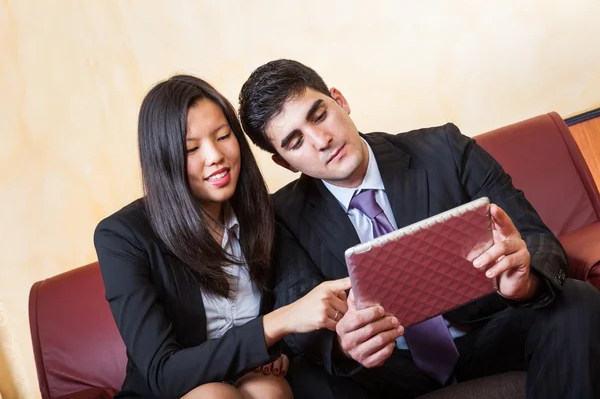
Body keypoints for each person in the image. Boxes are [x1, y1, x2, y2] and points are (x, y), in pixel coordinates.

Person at [237, 59, 600, 399]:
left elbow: (535, 237)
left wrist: (525, 280)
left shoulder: (445, 148)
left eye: (319, 115)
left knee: (574, 299)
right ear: (283, 162)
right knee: (307, 380)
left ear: (339, 100)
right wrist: (342, 344)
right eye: (296, 141)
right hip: (385, 368)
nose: (321, 140)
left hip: (485, 334)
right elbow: (300, 315)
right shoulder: (280, 215)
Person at [94, 75, 352, 399]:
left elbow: (293, 309)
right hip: (172, 394)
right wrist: (274, 326)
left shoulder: (264, 214)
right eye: (191, 149)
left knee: (268, 389)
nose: (215, 156)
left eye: (223, 136)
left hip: (253, 384)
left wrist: (280, 349)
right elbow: (164, 374)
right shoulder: (121, 236)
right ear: (163, 160)